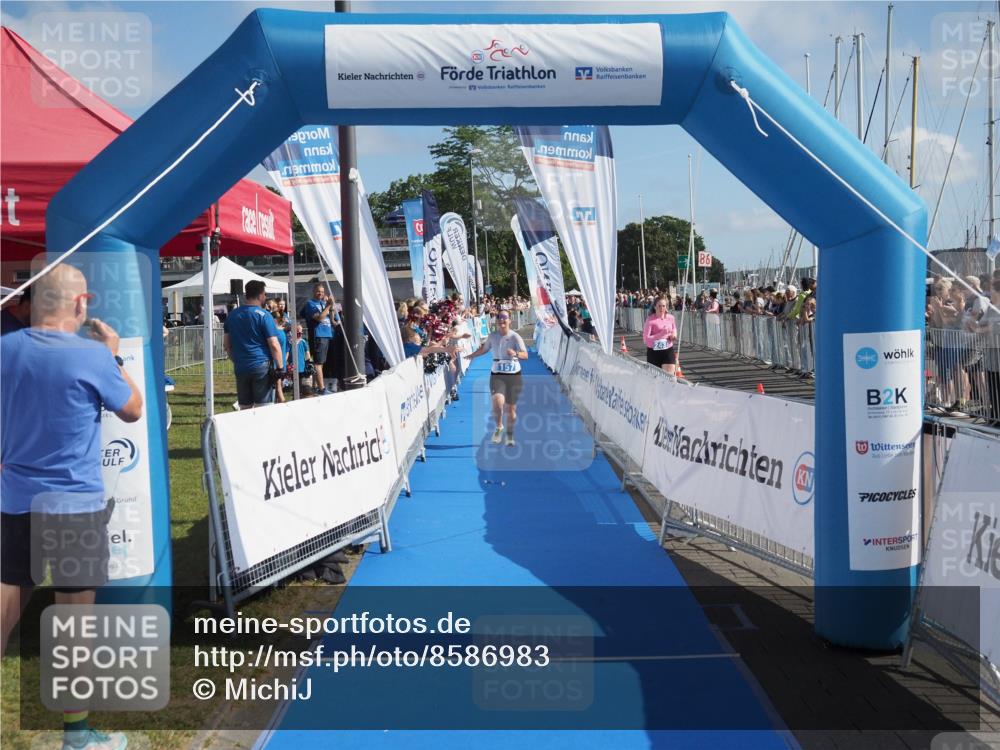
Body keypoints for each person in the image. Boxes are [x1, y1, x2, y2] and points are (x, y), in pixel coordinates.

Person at [1, 264, 142, 750]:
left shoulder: (4, 349)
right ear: (81, 303)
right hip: (75, 509)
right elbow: (134, 408)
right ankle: (77, 737)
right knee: (74, 627)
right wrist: (114, 354)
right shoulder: (92, 355)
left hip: (17, 503)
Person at [464, 311, 528, 447]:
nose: (502, 320)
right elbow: (484, 349)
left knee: (511, 410)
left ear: (510, 320)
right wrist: (472, 355)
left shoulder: (515, 337)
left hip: (513, 375)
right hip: (497, 374)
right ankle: (499, 427)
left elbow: (525, 355)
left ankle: (510, 433)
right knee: (497, 403)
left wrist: (515, 353)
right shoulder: (492, 336)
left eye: (505, 318)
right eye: (499, 318)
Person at [223, 280, 284, 408]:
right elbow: (274, 343)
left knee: (245, 407)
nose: (265, 297)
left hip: (241, 366)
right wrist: (280, 367)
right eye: (265, 294)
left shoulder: (232, 315)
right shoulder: (264, 315)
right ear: (261, 295)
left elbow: (227, 345)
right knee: (263, 407)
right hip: (260, 365)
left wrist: (236, 360)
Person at [302, 284, 336, 394]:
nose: (320, 293)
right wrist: (327, 306)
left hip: (327, 334)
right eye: (318, 291)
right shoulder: (310, 304)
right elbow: (320, 318)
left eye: (322, 291)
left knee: (322, 362)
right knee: (318, 363)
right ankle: (321, 389)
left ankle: (316, 387)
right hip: (318, 336)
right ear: (313, 292)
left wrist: (331, 308)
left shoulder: (323, 303)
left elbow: (331, 320)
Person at [643, 295, 678, 376]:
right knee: (656, 380)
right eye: (659, 306)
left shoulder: (671, 318)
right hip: (654, 352)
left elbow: (674, 328)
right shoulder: (650, 320)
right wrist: (661, 334)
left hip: (668, 350)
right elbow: (646, 340)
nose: (661, 308)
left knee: (669, 378)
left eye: (663, 306)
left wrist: (674, 335)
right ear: (655, 307)